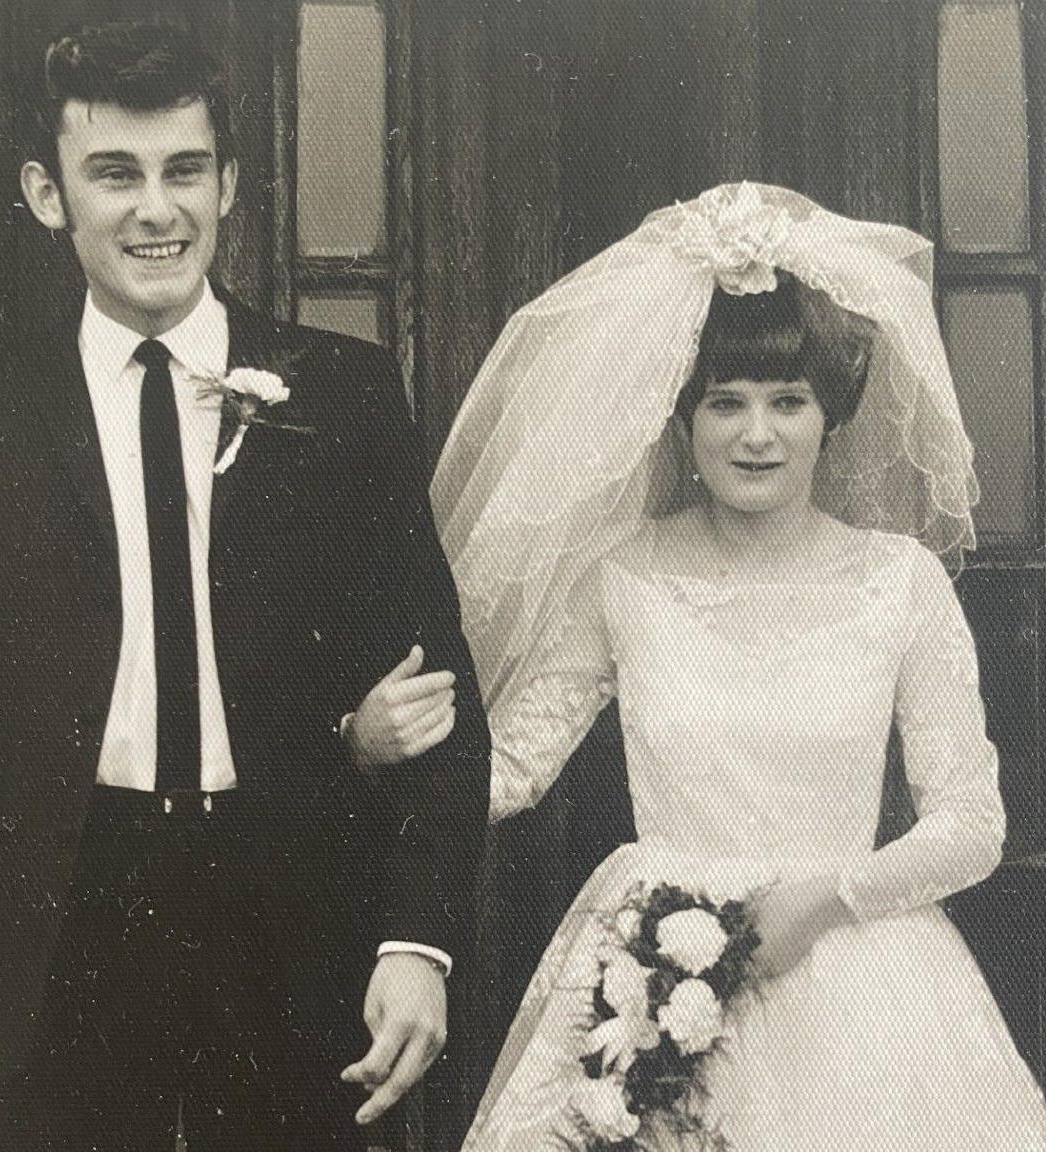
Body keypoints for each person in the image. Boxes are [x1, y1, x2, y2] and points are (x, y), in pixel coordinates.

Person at [0, 18, 490, 1151]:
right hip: (65, 917)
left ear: (228, 186)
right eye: (112, 174)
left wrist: (417, 942)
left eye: (183, 171)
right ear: (45, 192)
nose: (154, 211)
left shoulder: (344, 395)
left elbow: (435, 700)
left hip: (288, 910)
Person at [430, 183, 1046, 1148]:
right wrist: (375, 745)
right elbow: (510, 769)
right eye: (726, 402)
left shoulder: (902, 583)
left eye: (787, 402)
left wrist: (828, 901)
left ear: (828, 416)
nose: (757, 434)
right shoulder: (623, 577)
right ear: (683, 419)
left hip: (860, 979)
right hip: (657, 968)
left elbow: (973, 824)